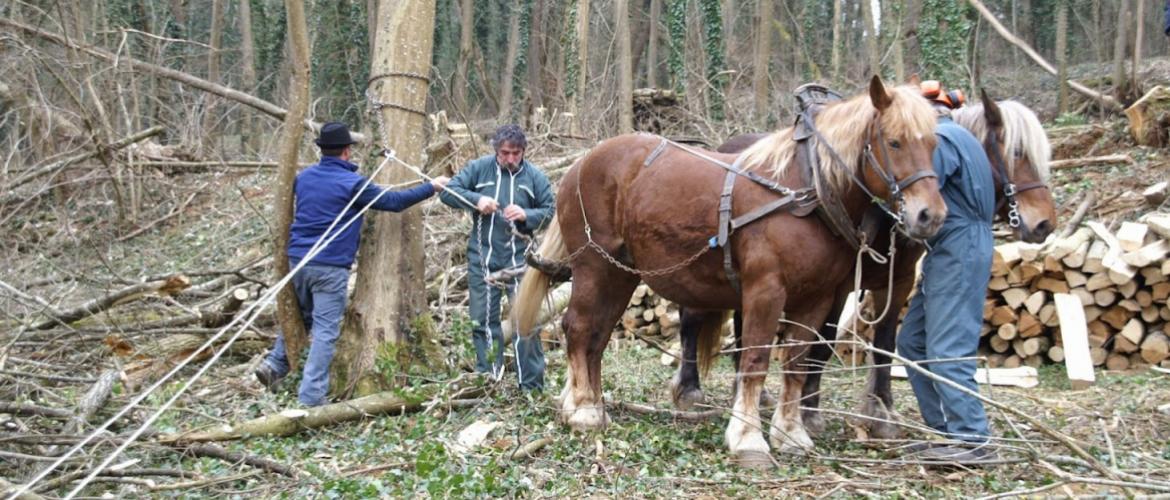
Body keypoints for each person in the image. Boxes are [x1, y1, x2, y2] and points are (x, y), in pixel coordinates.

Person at [255, 121, 450, 407]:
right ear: (347, 151)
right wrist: (431, 187)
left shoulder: (304, 178)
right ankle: (310, 398)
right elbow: (393, 201)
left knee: (302, 315)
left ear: (322, 150)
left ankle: (275, 364)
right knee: (325, 330)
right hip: (329, 266)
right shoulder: (352, 185)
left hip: (297, 262)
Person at [896, 82, 998, 464]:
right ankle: (944, 433)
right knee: (913, 343)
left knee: (947, 348)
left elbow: (918, 184)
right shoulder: (962, 135)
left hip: (960, 246)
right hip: (954, 246)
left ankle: (971, 438)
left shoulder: (942, 140)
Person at [440, 124, 555, 391]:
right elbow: (449, 192)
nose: (511, 159)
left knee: (525, 321)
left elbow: (551, 210)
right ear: (496, 151)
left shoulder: (535, 177)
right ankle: (489, 380)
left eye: (516, 153)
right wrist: (477, 200)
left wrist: (528, 215)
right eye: (505, 153)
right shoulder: (479, 169)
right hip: (483, 258)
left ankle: (531, 386)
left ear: (524, 151)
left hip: (522, 261)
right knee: (482, 320)